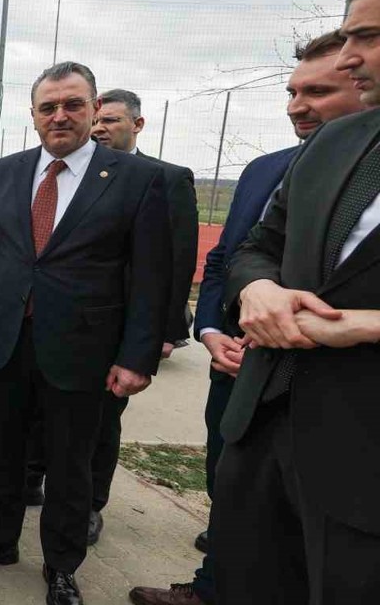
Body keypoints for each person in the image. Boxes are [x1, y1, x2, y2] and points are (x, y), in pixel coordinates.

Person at [128, 33, 365, 605]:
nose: (297, 106)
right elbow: (230, 256)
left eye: (319, 91)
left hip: (346, 403)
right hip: (242, 373)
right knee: (234, 499)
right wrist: (215, 329)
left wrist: (357, 324)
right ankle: (212, 587)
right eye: (292, 92)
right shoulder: (267, 171)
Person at [0, 62, 170, 605]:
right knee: (1, 454)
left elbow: (151, 277)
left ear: (95, 109)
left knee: (70, 465)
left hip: (83, 350)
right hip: (7, 342)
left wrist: (138, 355)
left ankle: (61, 566)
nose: (60, 116)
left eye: (73, 104)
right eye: (48, 107)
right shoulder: (5, 172)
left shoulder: (136, 178)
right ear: (32, 116)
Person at [208, 0, 380, 605]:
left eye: (368, 37)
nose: (351, 57)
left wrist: (361, 327)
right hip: (263, 432)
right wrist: (257, 290)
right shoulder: (336, 143)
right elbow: (259, 247)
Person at [28, 88, 199, 545]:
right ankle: (33, 479)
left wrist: (159, 335)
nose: (102, 128)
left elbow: (172, 265)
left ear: (138, 125)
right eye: (99, 120)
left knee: (99, 427)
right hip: (55, 329)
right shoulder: (63, 174)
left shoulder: (162, 178)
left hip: (116, 333)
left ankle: (89, 507)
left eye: (112, 121)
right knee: (47, 418)